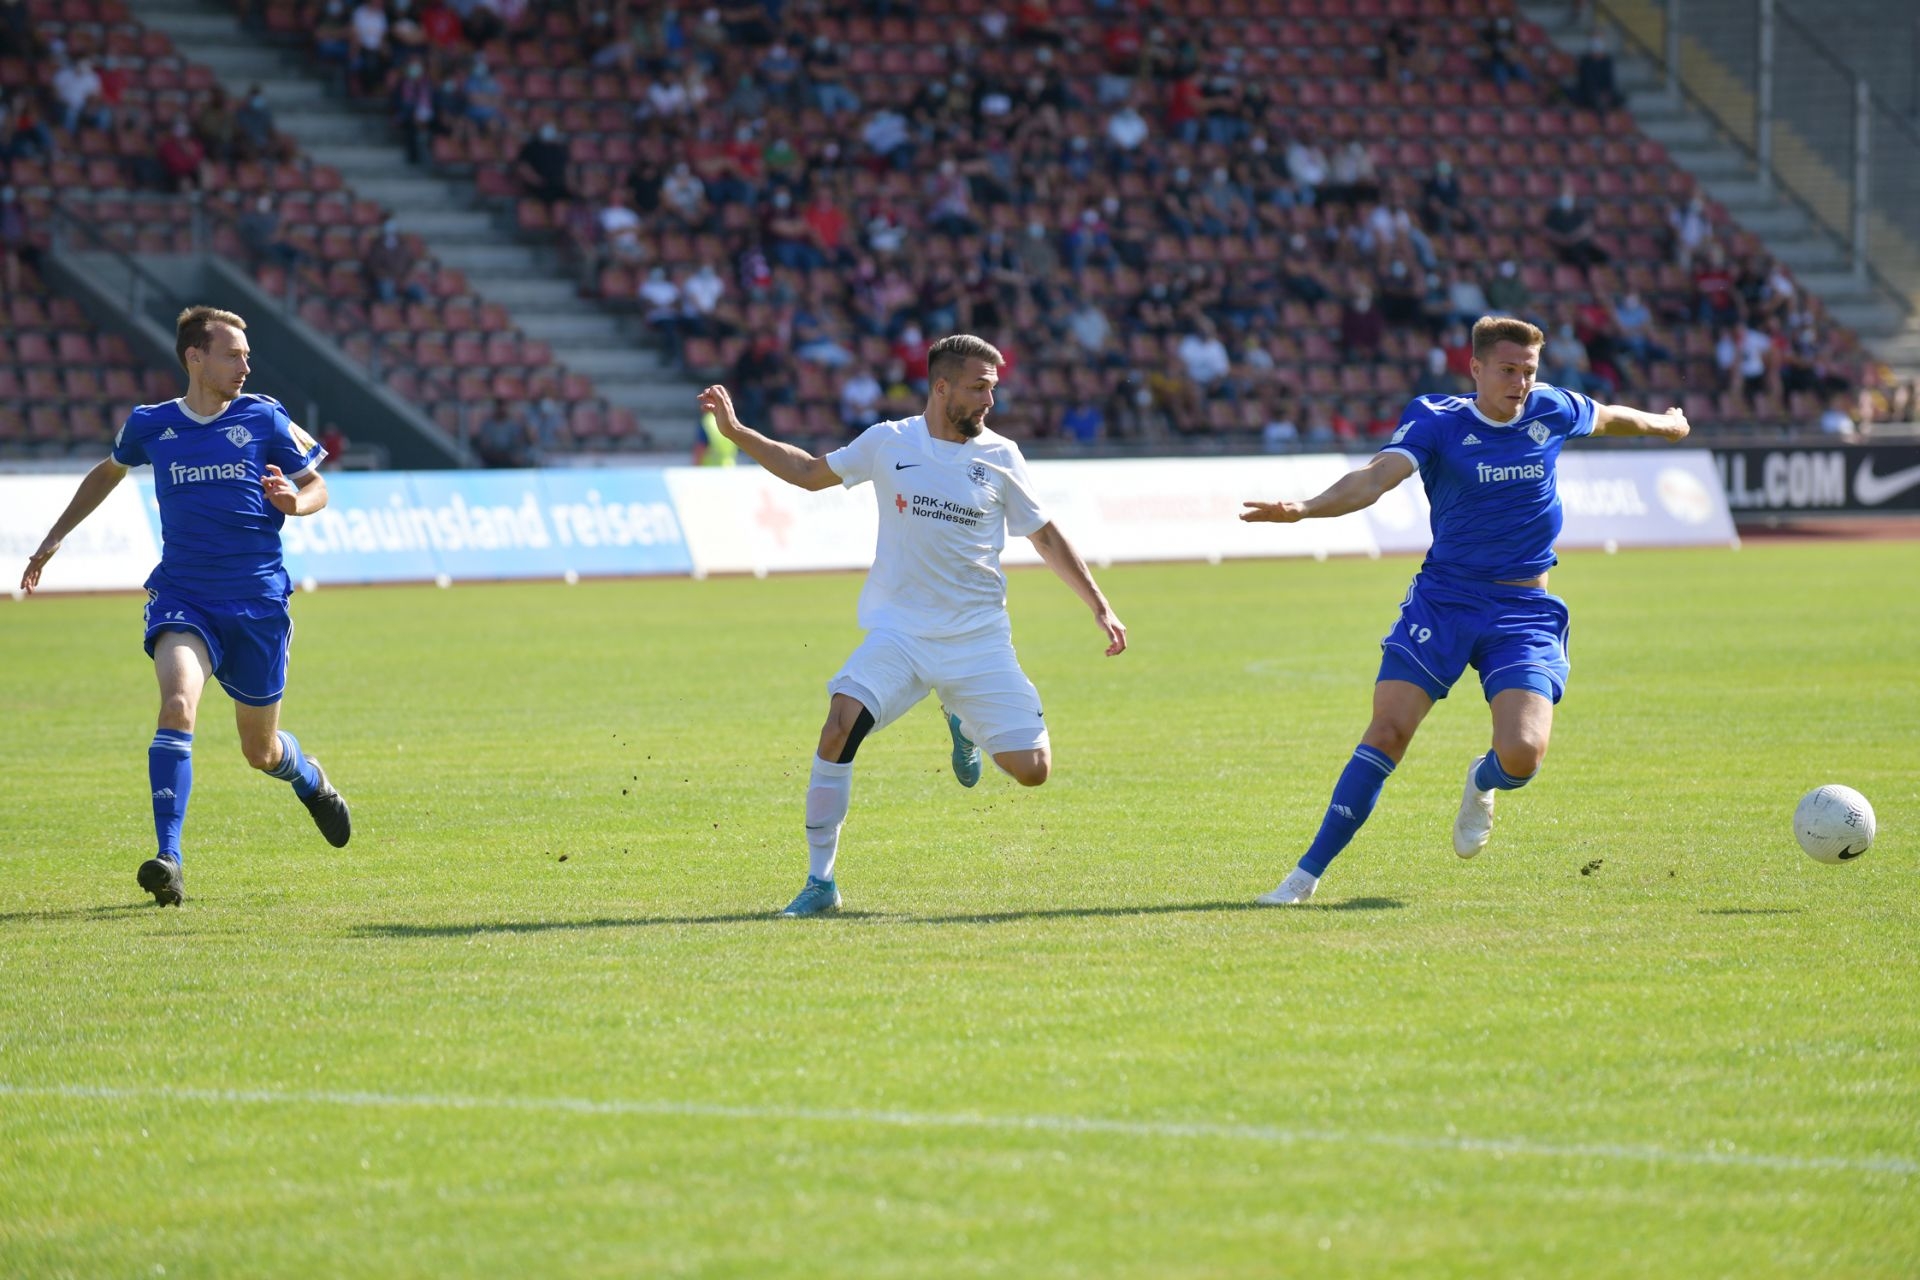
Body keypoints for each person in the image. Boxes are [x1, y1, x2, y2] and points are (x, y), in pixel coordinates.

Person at [1238, 315, 1689, 905]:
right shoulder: (1437, 420)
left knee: (1522, 756)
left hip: (1523, 609)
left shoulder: (1552, 408)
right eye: (1507, 370)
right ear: (1475, 368)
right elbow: (1376, 477)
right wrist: (1305, 508)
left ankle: (1483, 778)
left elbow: (1609, 417)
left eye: (1528, 371)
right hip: (1446, 601)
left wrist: (1665, 424)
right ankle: (1303, 878)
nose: (1520, 383)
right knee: (1388, 730)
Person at [694, 333, 1127, 917]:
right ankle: (821, 882)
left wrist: (1099, 605)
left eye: (993, 389)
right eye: (978, 388)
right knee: (838, 726)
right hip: (901, 636)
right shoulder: (888, 441)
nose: (989, 401)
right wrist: (738, 432)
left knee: (1033, 772)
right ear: (941, 387)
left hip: (977, 640)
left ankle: (962, 719)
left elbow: (1044, 536)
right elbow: (809, 472)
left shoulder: (1002, 456)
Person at [19, 306, 352, 907]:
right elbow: (109, 471)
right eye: (233, 354)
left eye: (247, 355)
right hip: (184, 597)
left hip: (256, 602)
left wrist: (293, 502)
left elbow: (318, 486)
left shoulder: (265, 416)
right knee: (176, 706)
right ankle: (169, 859)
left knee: (259, 752)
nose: (245, 366)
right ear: (195, 357)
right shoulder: (150, 424)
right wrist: (56, 536)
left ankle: (307, 777)